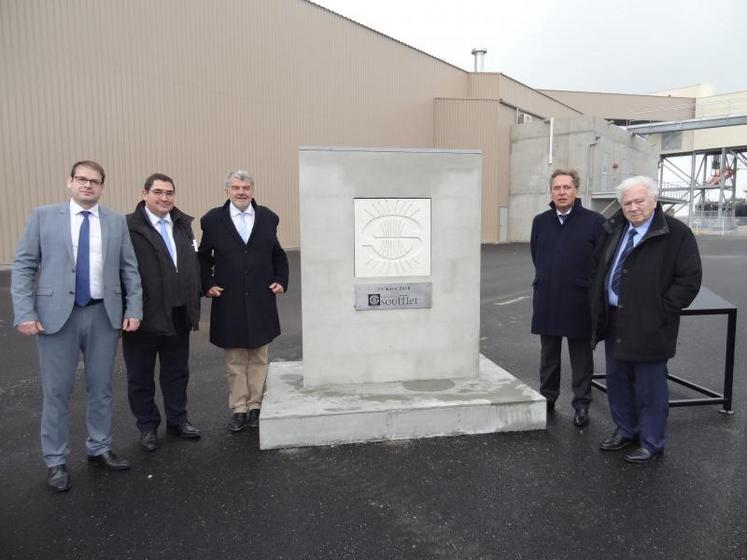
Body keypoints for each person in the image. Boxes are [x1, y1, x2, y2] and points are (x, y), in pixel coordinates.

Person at [11, 160, 142, 492]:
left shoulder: (115, 221)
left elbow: (130, 269)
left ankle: (99, 447)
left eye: (94, 181)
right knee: (57, 392)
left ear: (102, 186)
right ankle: (55, 459)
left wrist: (134, 308)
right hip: (58, 318)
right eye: (81, 179)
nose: (88, 185)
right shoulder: (43, 216)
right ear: (69, 182)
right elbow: (24, 264)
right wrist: (24, 311)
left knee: (101, 388)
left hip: (103, 315)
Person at [590, 176, 701, 464]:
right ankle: (626, 430)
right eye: (627, 203)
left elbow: (688, 281)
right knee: (617, 380)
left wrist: (661, 311)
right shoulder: (615, 229)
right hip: (615, 319)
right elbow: (600, 267)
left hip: (651, 324)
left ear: (654, 201)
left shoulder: (676, 234)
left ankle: (652, 443)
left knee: (650, 387)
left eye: (639, 201)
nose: (633, 207)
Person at [198, 169, 289, 432]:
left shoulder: (268, 218)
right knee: (235, 358)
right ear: (227, 191)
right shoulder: (213, 220)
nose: (241, 192)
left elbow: (278, 254)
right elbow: (204, 257)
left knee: (259, 356)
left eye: (246, 188)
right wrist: (208, 284)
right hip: (229, 300)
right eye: (236, 187)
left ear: (252, 191)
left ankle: (256, 405)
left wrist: (281, 280)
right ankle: (239, 407)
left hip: (261, 298)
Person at [122, 173, 202, 452]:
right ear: (144, 193)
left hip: (178, 313)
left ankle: (178, 420)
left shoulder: (182, 225)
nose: (164, 198)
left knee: (177, 372)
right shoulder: (128, 227)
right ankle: (147, 427)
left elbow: (189, 265)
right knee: (140, 377)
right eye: (158, 192)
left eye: (169, 193)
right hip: (142, 316)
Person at [530, 169, 605, 427]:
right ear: (550, 191)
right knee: (548, 355)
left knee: (581, 357)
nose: (561, 192)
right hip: (548, 297)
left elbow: (600, 261)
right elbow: (536, 255)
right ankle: (548, 398)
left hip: (579, 299)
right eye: (557, 188)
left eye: (567, 187)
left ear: (577, 190)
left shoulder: (594, 221)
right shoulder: (540, 221)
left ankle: (581, 405)